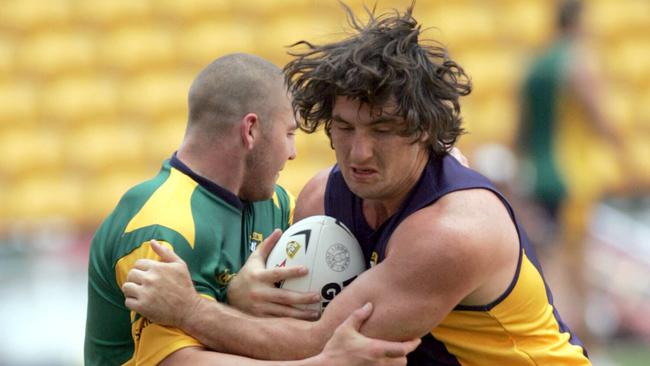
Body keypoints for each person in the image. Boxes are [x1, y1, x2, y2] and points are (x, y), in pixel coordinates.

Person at [123, 4, 592, 365]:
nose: (358, 152)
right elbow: (284, 323)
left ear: (424, 129)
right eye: (344, 128)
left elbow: (317, 344)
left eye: (383, 130)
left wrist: (190, 310)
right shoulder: (320, 198)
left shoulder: (452, 234)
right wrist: (241, 293)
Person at [84, 53, 420, 365]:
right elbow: (179, 360)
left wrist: (432, 164)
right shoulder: (163, 227)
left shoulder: (276, 203)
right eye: (289, 133)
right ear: (251, 130)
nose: (292, 152)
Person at [517, 0, 624, 341]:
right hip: (571, 172)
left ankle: (545, 334)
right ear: (578, 22)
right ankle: (586, 341)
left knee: (548, 257)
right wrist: (623, 150)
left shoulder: (534, 65)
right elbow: (598, 114)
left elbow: (521, 129)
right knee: (577, 259)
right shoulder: (577, 61)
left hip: (538, 173)